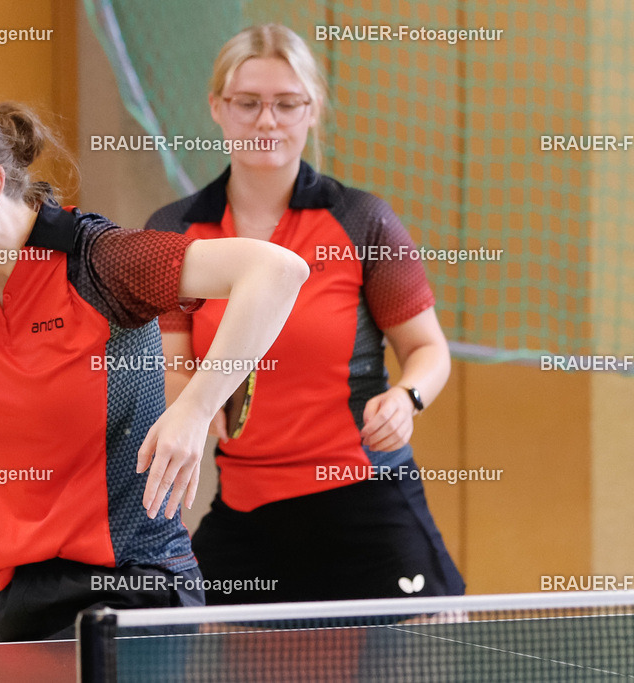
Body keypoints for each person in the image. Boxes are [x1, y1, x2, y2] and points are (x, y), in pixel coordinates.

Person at [0, 89, 309, 641]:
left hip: (133, 593)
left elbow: (276, 271)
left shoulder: (100, 262)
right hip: (18, 596)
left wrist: (194, 409)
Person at [146, 24, 465, 604]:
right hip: (246, 508)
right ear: (217, 108)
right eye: (248, 103)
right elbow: (173, 363)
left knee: (433, 649)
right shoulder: (175, 231)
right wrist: (191, 399)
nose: (267, 121)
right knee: (177, 645)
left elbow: (427, 350)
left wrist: (407, 397)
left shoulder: (363, 221)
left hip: (367, 499)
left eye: (287, 104)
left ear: (312, 109)